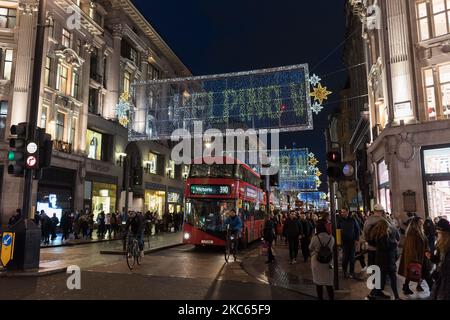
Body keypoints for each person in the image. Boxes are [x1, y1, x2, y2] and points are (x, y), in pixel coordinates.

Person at [398, 216, 431, 295]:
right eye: (420, 222)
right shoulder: (412, 233)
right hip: (417, 259)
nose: (422, 224)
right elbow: (411, 248)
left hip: (422, 257)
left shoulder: (420, 232)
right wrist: (415, 260)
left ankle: (406, 286)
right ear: (416, 223)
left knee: (414, 273)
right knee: (426, 275)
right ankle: (433, 290)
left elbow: (424, 242)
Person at [369, 219, 401, 300]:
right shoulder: (384, 237)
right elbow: (387, 247)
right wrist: (395, 244)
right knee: (392, 278)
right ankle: (396, 296)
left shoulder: (377, 235)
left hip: (381, 261)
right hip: (388, 261)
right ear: (386, 226)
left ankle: (373, 294)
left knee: (381, 279)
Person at [309, 219, 335, 300]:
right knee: (329, 283)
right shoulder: (331, 238)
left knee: (318, 283)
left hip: (317, 262)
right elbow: (332, 248)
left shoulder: (315, 238)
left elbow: (310, 248)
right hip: (329, 262)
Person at [430, 219, 450, 300]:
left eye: (439, 232)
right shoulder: (440, 244)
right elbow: (438, 260)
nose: (438, 234)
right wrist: (431, 257)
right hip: (441, 277)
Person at [337, 208, 360, 279]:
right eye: (342, 212)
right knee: (345, 258)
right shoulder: (339, 221)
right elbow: (337, 231)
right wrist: (338, 242)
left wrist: (356, 239)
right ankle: (345, 272)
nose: (342, 213)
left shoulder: (352, 220)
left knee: (352, 258)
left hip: (352, 241)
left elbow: (357, 229)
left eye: (344, 212)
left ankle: (351, 272)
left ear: (347, 212)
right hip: (344, 242)